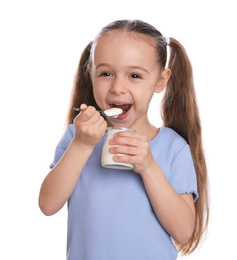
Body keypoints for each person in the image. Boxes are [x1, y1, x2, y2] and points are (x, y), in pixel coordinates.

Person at [39, 20, 209, 259]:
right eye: (106, 73)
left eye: (135, 75)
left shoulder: (173, 147)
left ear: (161, 81)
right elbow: (47, 205)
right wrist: (81, 145)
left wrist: (149, 167)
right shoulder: (76, 138)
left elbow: (183, 232)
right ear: (91, 74)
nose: (118, 87)